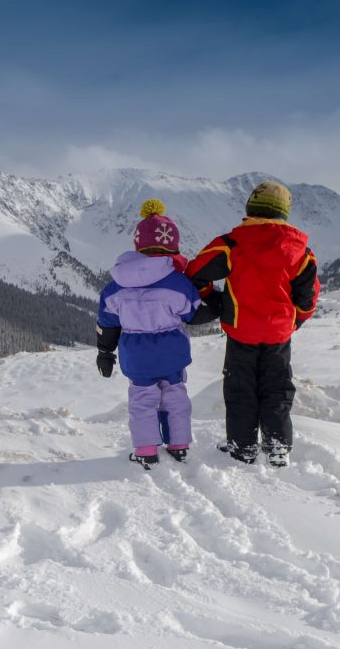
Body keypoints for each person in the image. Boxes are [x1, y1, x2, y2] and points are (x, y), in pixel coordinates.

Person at [184, 180, 319, 467]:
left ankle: (242, 447)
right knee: (277, 389)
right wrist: (293, 321)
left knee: (240, 389)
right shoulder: (301, 252)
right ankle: (278, 446)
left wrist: (216, 301)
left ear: (250, 208)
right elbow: (308, 299)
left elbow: (196, 273)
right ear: (285, 213)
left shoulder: (231, 245)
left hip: (241, 332)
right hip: (278, 335)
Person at [96, 199, 212, 469]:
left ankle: (146, 450)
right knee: (175, 396)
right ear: (172, 245)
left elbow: (107, 323)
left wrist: (104, 352)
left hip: (136, 353)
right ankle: (179, 445)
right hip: (171, 349)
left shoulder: (115, 287)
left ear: (139, 245)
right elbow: (193, 313)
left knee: (142, 400)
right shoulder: (177, 282)